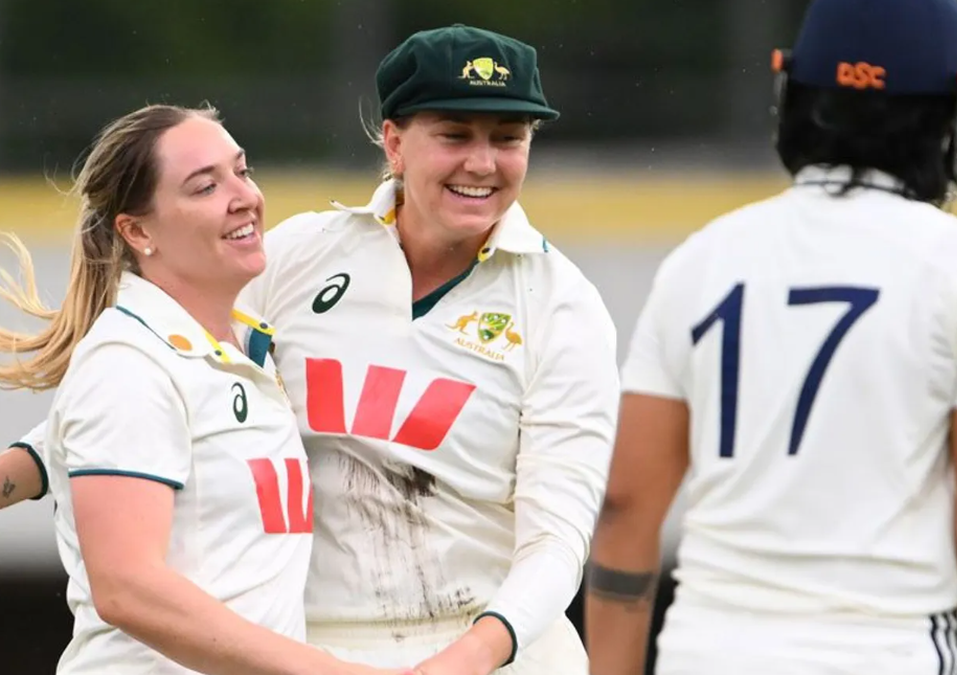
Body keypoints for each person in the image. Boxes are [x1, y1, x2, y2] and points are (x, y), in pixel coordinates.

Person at [3, 24, 619, 674]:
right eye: (455, 134)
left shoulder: (563, 308)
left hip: (493, 655)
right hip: (315, 656)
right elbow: (166, 391)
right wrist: (22, 467)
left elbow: (558, 537)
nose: (483, 163)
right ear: (394, 142)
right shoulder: (301, 255)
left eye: (508, 138)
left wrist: (467, 659)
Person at [583, 0, 957, 674]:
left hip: (705, 652)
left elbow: (624, 506)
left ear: (793, 93)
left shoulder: (702, 257)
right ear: (956, 108)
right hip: (889, 651)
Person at [0, 105, 397, 674]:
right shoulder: (127, 365)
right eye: (205, 186)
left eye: (242, 170)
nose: (244, 196)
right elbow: (127, 589)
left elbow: (75, 446)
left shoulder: (227, 345)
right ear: (138, 231)